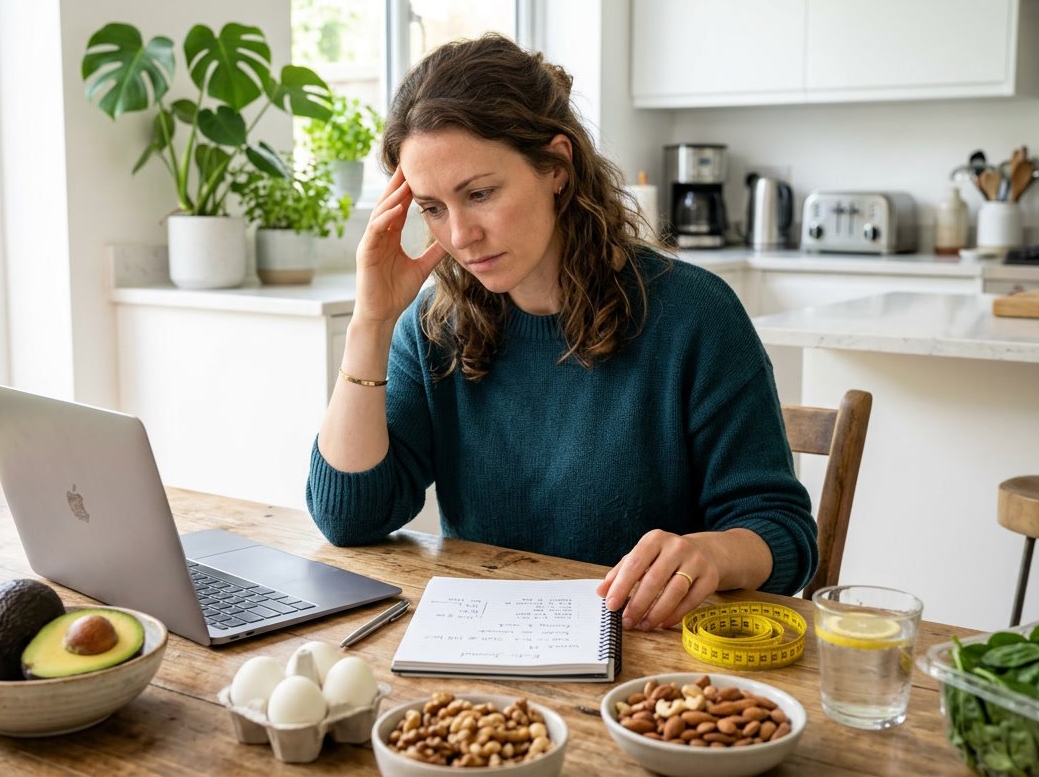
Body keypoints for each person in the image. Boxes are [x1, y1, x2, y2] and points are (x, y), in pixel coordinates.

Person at [307, 33, 817, 632]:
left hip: (652, 663)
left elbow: (781, 531)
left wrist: (709, 554)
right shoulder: (434, 326)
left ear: (556, 165)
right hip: (489, 657)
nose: (460, 235)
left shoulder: (693, 316)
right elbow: (350, 518)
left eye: (479, 194)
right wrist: (371, 321)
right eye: (433, 208)